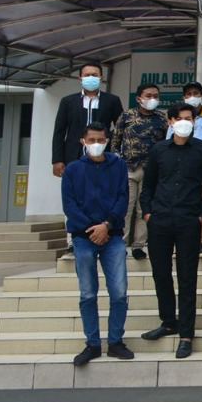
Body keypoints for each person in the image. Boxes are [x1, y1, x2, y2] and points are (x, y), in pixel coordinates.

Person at [140, 102, 202, 359]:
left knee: (187, 277)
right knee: (161, 273)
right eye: (181, 118)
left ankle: (186, 333)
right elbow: (148, 184)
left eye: (190, 118)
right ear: (171, 121)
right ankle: (168, 321)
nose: (186, 122)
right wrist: (147, 212)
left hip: (188, 220)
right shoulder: (159, 149)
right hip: (159, 219)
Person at [62, 121, 132, 366]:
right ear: (83, 141)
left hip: (112, 236)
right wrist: (92, 229)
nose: (96, 144)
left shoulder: (118, 165)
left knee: (119, 293)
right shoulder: (73, 170)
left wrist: (107, 225)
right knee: (88, 294)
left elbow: (123, 198)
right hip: (84, 238)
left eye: (100, 140)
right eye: (91, 140)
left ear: (107, 140)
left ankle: (115, 342)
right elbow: (69, 205)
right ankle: (92, 344)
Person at [109, 82, 168, 260]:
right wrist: (116, 161)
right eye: (148, 95)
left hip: (151, 170)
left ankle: (139, 245)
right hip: (128, 168)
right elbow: (115, 140)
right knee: (127, 207)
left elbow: (166, 143)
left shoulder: (162, 118)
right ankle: (121, 243)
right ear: (139, 98)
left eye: (155, 96)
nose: (152, 99)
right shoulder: (126, 116)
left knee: (144, 209)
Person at [52, 62, 125, 179]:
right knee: (76, 191)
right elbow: (59, 132)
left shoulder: (112, 100)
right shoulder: (67, 101)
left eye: (94, 75)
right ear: (80, 78)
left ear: (101, 78)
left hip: (103, 155)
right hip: (74, 156)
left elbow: (121, 130)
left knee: (102, 190)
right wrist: (57, 160)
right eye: (87, 75)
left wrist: (114, 150)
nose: (91, 78)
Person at [179, 81, 202, 151]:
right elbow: (170, 139)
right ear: (184, 98)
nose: (192, 97)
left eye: (196, 93)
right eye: (189, 94)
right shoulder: (178, 117)